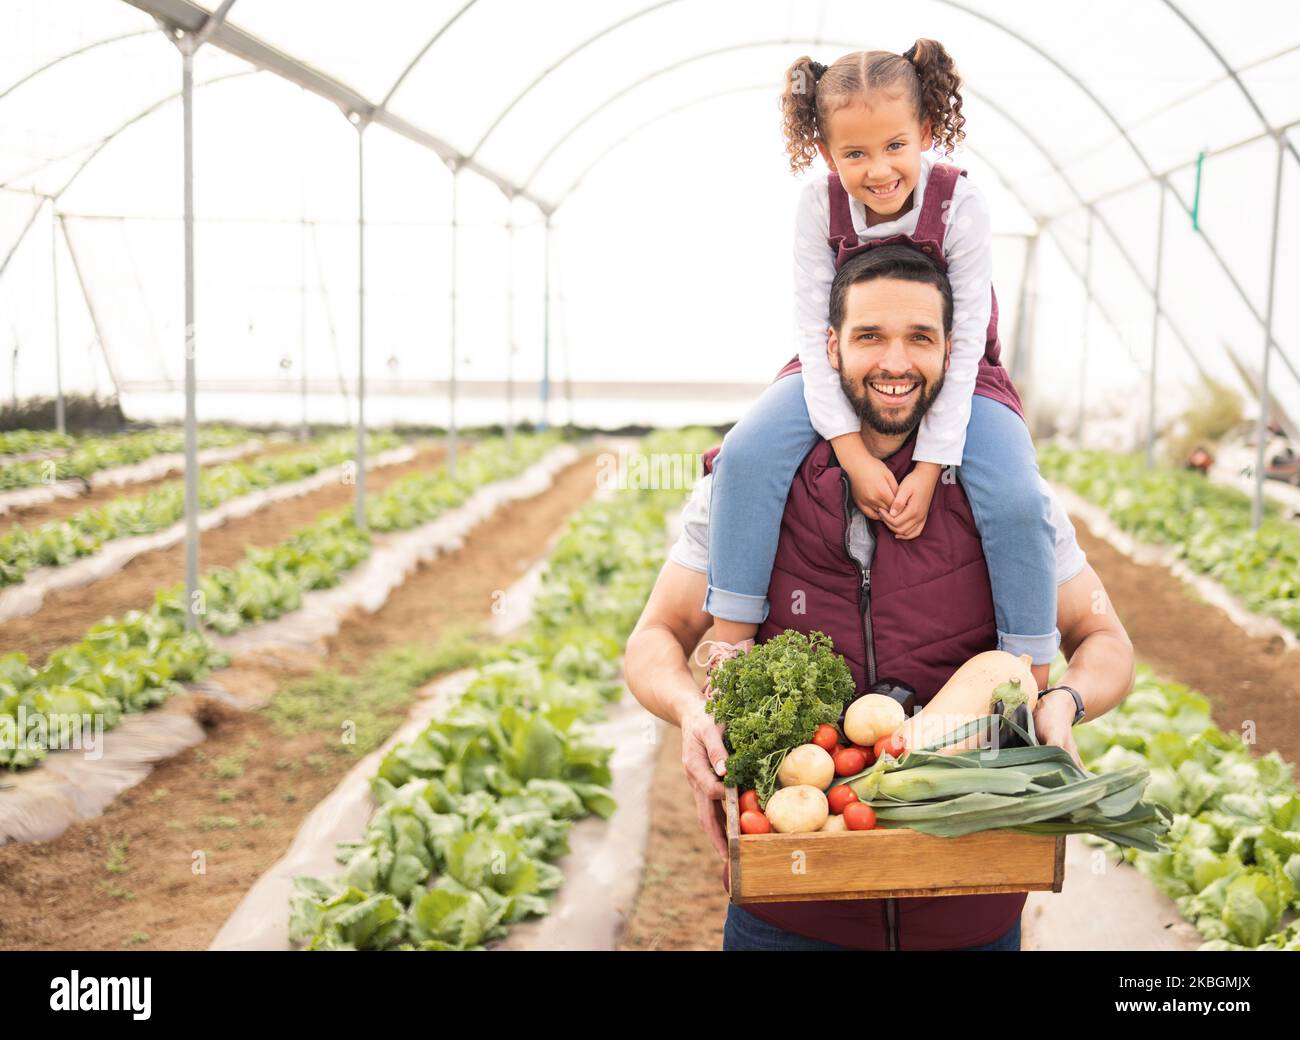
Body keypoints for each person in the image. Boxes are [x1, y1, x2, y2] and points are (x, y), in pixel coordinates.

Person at [624, 245, 1136, 951]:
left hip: (969, 908)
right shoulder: (748, 495)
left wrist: (1063, 702)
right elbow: (657, 635)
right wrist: (689, 712)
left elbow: (1103, 640)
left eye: (920, 338)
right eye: (869, 337)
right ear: (828, 347)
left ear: (951, 352)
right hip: (792, 909)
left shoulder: (1011, 502)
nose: (895, 362)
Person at [703, 41, 1058, 698]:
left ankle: (1026, 675)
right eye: (854, 154)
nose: (878, 169)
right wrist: (850, 452)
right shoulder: (817, 207)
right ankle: (731, 646)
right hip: (838, 364)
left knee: (1014, 497)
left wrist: (928, 467)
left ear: (926, 132)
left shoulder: (960, 205)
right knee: (747, 453)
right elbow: (815, 336)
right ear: (824, 152)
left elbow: (965, 333)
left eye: (896, 145)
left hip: (956, 367)